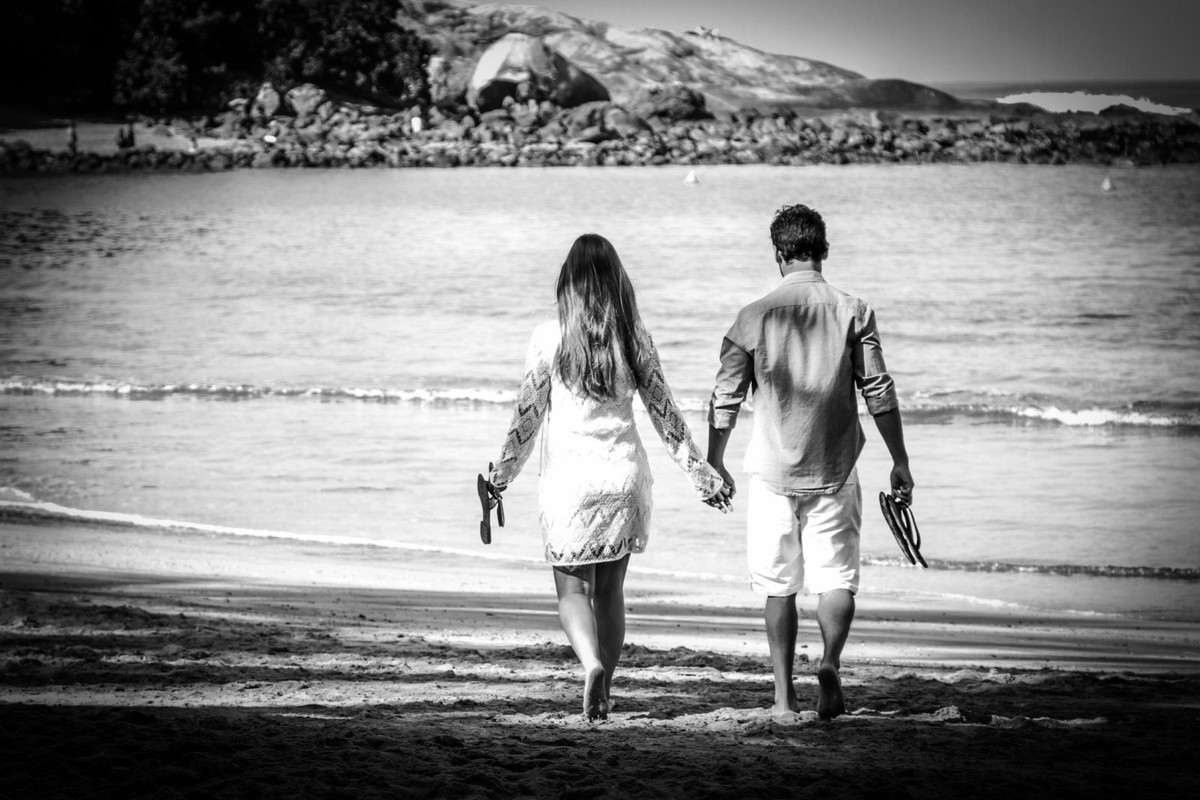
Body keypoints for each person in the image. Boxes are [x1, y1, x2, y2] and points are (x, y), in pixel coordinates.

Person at [490, 233, 733, 721]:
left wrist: (502, 474)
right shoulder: (634, 336)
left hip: (570, 485)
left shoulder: (549, 336)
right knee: (610, 593)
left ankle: (591, 665)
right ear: (617, 280)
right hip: (624, 480)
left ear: (568, 282)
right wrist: (702, 476)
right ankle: (606, 689)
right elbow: (667, 416)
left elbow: (527, 418)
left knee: (572, 593)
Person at [706, 204, 914, 720]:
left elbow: (724, 400)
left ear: (779, 254)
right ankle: (830, 662)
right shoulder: (854, 311)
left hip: (772, 473)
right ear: (823, 251)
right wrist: (900, 461)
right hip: (835, 469)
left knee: (778, 587)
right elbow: (879, 391)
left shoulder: (751, 318)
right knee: (836, 579)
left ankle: (783, 695)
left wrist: (714, 461)